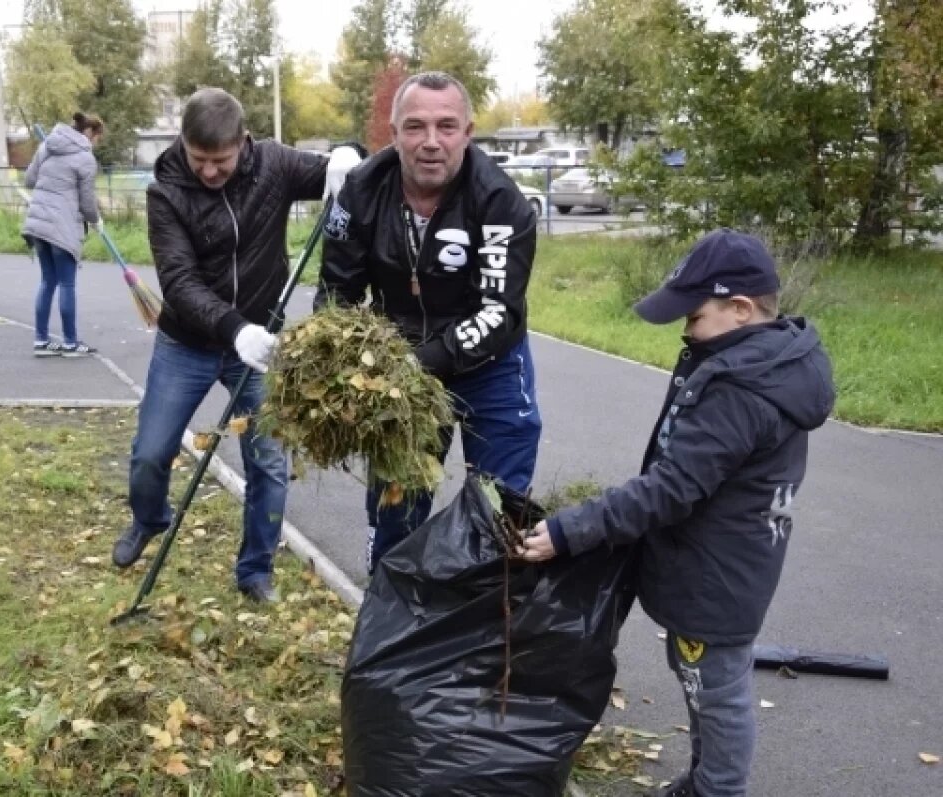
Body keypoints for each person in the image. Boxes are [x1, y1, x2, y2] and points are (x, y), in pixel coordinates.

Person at [519, 229, 836, 797]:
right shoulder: (752, 361)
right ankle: (705, 779)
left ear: (739, 310)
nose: (686, 332)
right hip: (719, 563)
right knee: (704, 682)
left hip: (714, 579)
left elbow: (671, 489)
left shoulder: (741, 387)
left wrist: (573, 531)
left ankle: (718, 789)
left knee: (714, 692)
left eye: (692, 318)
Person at [110, 87, 360, 603]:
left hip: (261, 341)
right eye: (198, 159)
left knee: (268, 461)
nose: (207, 172)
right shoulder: (166, 193)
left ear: (242, 143)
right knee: (150, 453)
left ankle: (255, 570)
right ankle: (150, 517)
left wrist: (346, 154)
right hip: (189, 342)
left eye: (219, 161)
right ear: (183, 144)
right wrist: (233, 328)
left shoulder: (273, 164)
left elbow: (338, 176)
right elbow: (177, 281)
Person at [315, 71, 542, 573]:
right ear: (393, 133)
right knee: (396, 510)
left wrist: (416, 365)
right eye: (415, 127)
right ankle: (388, 623)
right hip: (400, 363)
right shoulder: (359, 191)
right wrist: (340, 364)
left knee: (499, 511)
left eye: (447, 126)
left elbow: (498, 313)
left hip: (491, 364)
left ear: (468, 132)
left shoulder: (501, 202)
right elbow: (337, 293)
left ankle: (486, 626)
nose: (431, 142)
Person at [22, 111, 105, 357]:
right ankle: (70, 343)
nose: (96, 144)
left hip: (37, 224)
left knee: (48, 281)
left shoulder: (47, 145)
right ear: (90, 133)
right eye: (98, 138)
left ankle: (41, 341)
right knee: (67, 283)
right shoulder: (85, 158)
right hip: (62, 226)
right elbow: (87, 201)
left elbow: (29, 180)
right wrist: (96, 220)